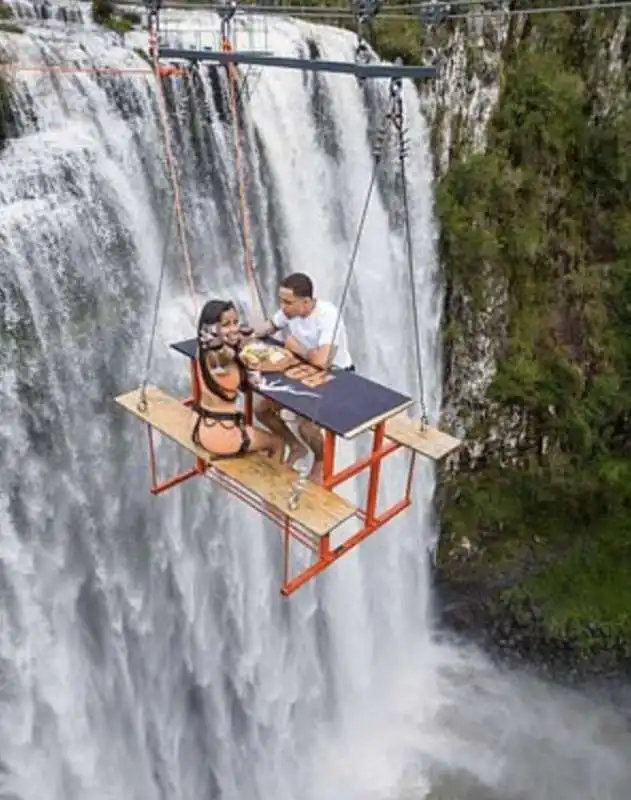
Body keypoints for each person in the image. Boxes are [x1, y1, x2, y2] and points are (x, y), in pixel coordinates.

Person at [254, 272, 354, 484]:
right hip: (301, 371)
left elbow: (322, 361)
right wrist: (243, 334)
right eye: (281, 300)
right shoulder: (289, 313)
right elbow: (268, 326)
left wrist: (297, 348)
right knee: (261, 410)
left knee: (307, 427)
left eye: (288, 302)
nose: (283, 306)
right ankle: (295, 446)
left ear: (306, 302)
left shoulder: (328, 316)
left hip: (337, 376)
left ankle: (320, 458)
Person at [191, 299, 283, 462]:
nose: (234, 328)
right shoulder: (218, 357)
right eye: (225, 324)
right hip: (221, 435)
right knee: (277, 442)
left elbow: (225, 349)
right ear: (212, 329)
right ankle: (269, 485)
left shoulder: (202, 348)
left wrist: (238, 341)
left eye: (235, 322)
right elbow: (227, 359)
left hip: (201, 425)